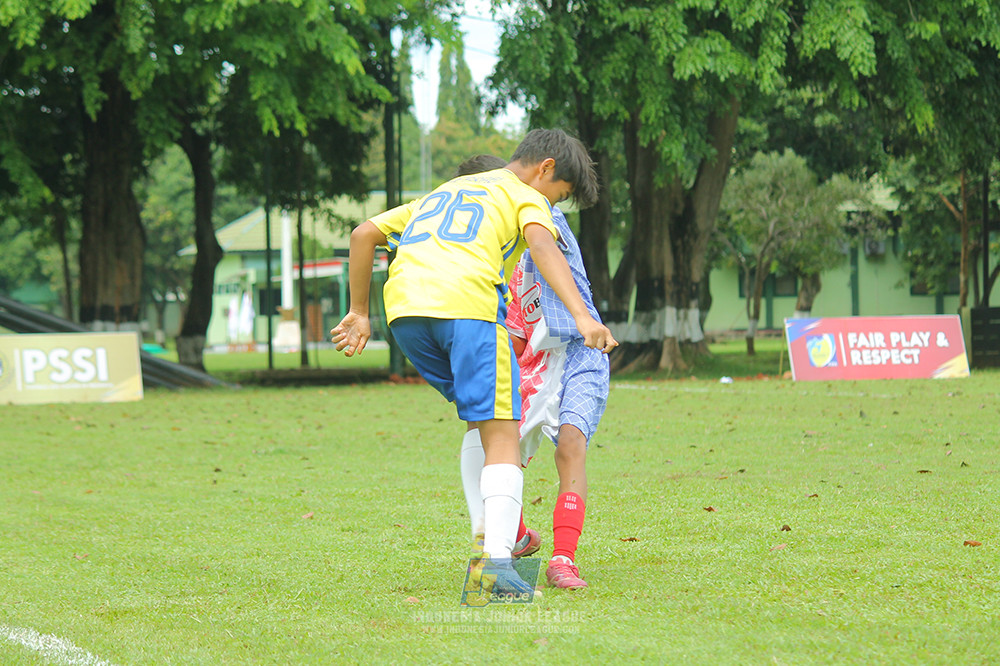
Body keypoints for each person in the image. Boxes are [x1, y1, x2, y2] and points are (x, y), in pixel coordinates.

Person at [330, 130, 617, 599]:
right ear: (545, 169)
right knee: (503, 431)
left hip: (405, 316)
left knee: (479, 424)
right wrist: (584, 317)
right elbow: (544, 249)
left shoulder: (447, 190)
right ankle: (495, 565)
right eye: (559, 195)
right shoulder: (526, 196)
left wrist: (359, 311)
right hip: (467, 308)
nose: (554, 204)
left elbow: (364, 234)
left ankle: (500, 537)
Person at [453, 154, 609, 591]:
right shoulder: (495, 247)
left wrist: (584, 319)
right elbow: (516, 319)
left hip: (580, 351)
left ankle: (564, 557)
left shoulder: (539, 214)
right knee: (503, 449)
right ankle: (512, 538)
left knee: (571, 444)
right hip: (534, 362)